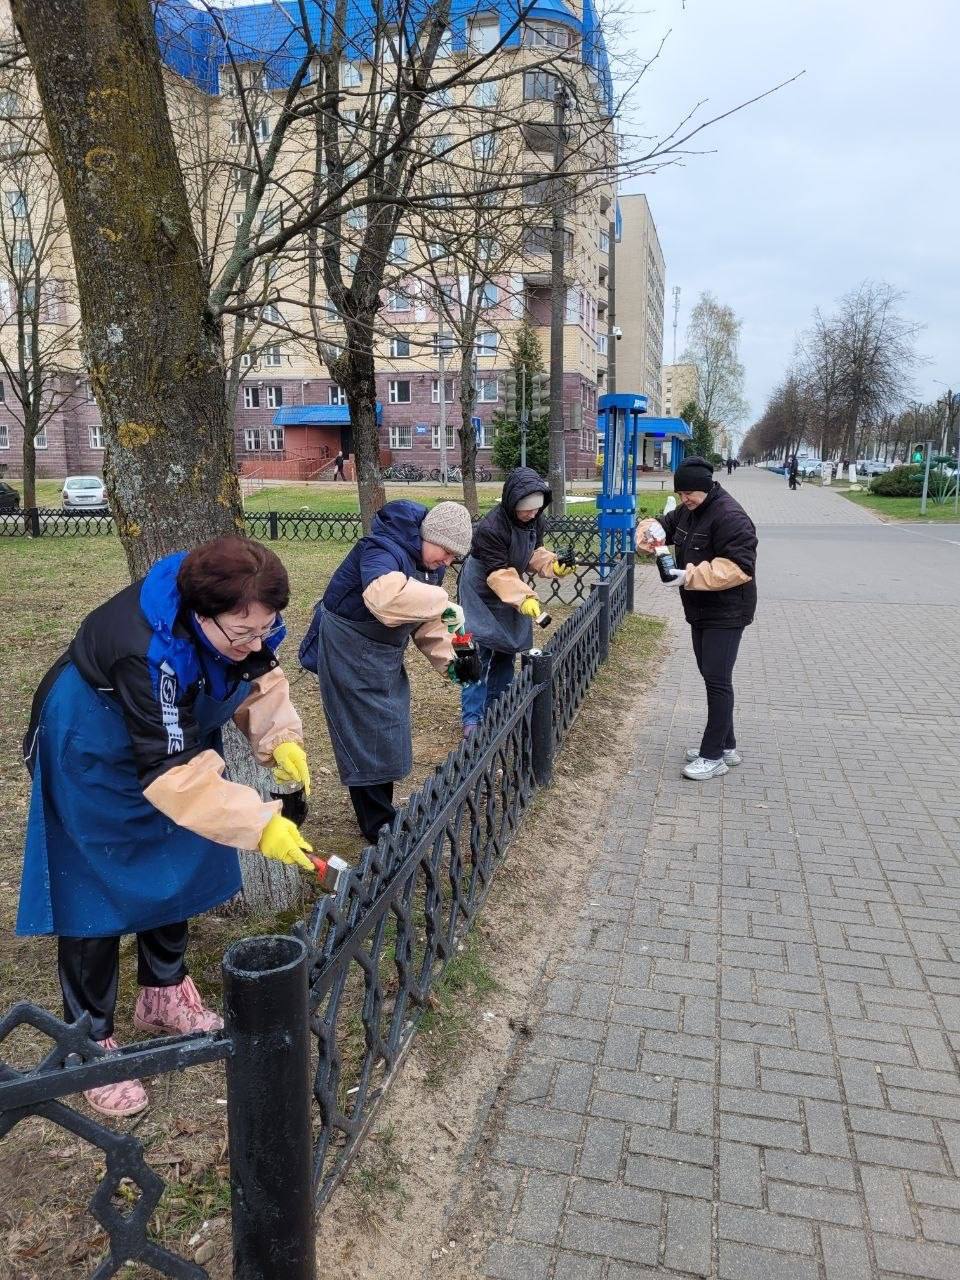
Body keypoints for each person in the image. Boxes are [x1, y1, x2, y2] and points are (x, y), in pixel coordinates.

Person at [17, 537, 314, 1117]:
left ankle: (163, 991)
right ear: (201, 616)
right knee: (96, 887)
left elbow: (259, 672)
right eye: (243, 632)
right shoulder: (145, 650)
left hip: (168, 741)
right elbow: (174, 776)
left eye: (267, 628)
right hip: (95, 744)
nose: (258, 641)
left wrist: (280, 739)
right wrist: (260, 824)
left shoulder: (238, 619)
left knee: (177, 856)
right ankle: (87, 1040)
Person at [311, 499, 473, 843]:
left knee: (387, 728)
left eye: (452, 558)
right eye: (445, 552)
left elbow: (427, 622)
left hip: (382, 653)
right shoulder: (380, 548)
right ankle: (377, 824)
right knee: (362, 733)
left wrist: (455, 664)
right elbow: (385, 599)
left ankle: (383, 811)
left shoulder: (431, 566)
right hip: (349, 647)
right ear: (428, 535)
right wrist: (444, 601)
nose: (447, 562)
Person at [638, 455, 757, 782]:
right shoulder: (689, 511)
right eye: (680, 494)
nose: (683, 499)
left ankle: (712, 755)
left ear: (705, 488)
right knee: (710, 674)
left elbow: (738, 568)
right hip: (700, 609)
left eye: (689, 493)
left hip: (728, 609)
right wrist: (651, 532)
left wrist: (688, 576)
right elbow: (664, 525)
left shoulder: (731, 517)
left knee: (718, 680)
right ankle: (727, 745)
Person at [458, 467, 571, 735]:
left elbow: (533, 553)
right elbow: (498, 573)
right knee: (475, 655)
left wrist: (553, 565)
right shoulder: (490, 528)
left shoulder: (535, 521)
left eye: (536, 509)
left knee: (506, 652)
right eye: (526, 509)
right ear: (512, 503)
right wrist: (524, 598)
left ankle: (497, 707)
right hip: (483, 589)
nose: (532, 514)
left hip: (511, 589)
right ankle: (472, 718)